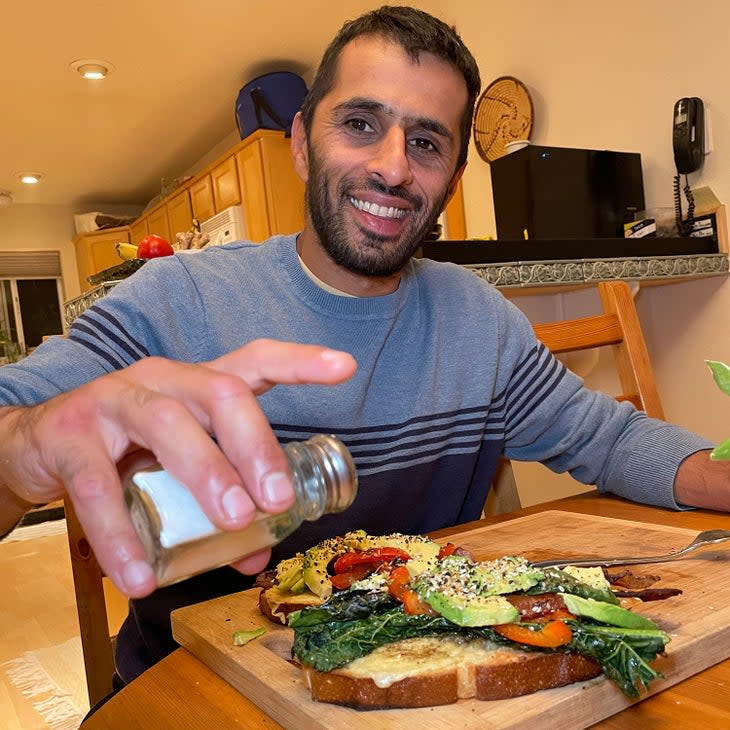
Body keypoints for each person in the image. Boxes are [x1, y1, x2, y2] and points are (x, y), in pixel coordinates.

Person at [1, 5, 728, 688]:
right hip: (190, 693)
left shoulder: (478, 319)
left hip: (413, 676)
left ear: (452, 179)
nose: (391, 166)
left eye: (425, 141)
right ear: (300, 142)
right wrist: (24, 447)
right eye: (358, 123)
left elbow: (610, 439)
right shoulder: (173, 303)